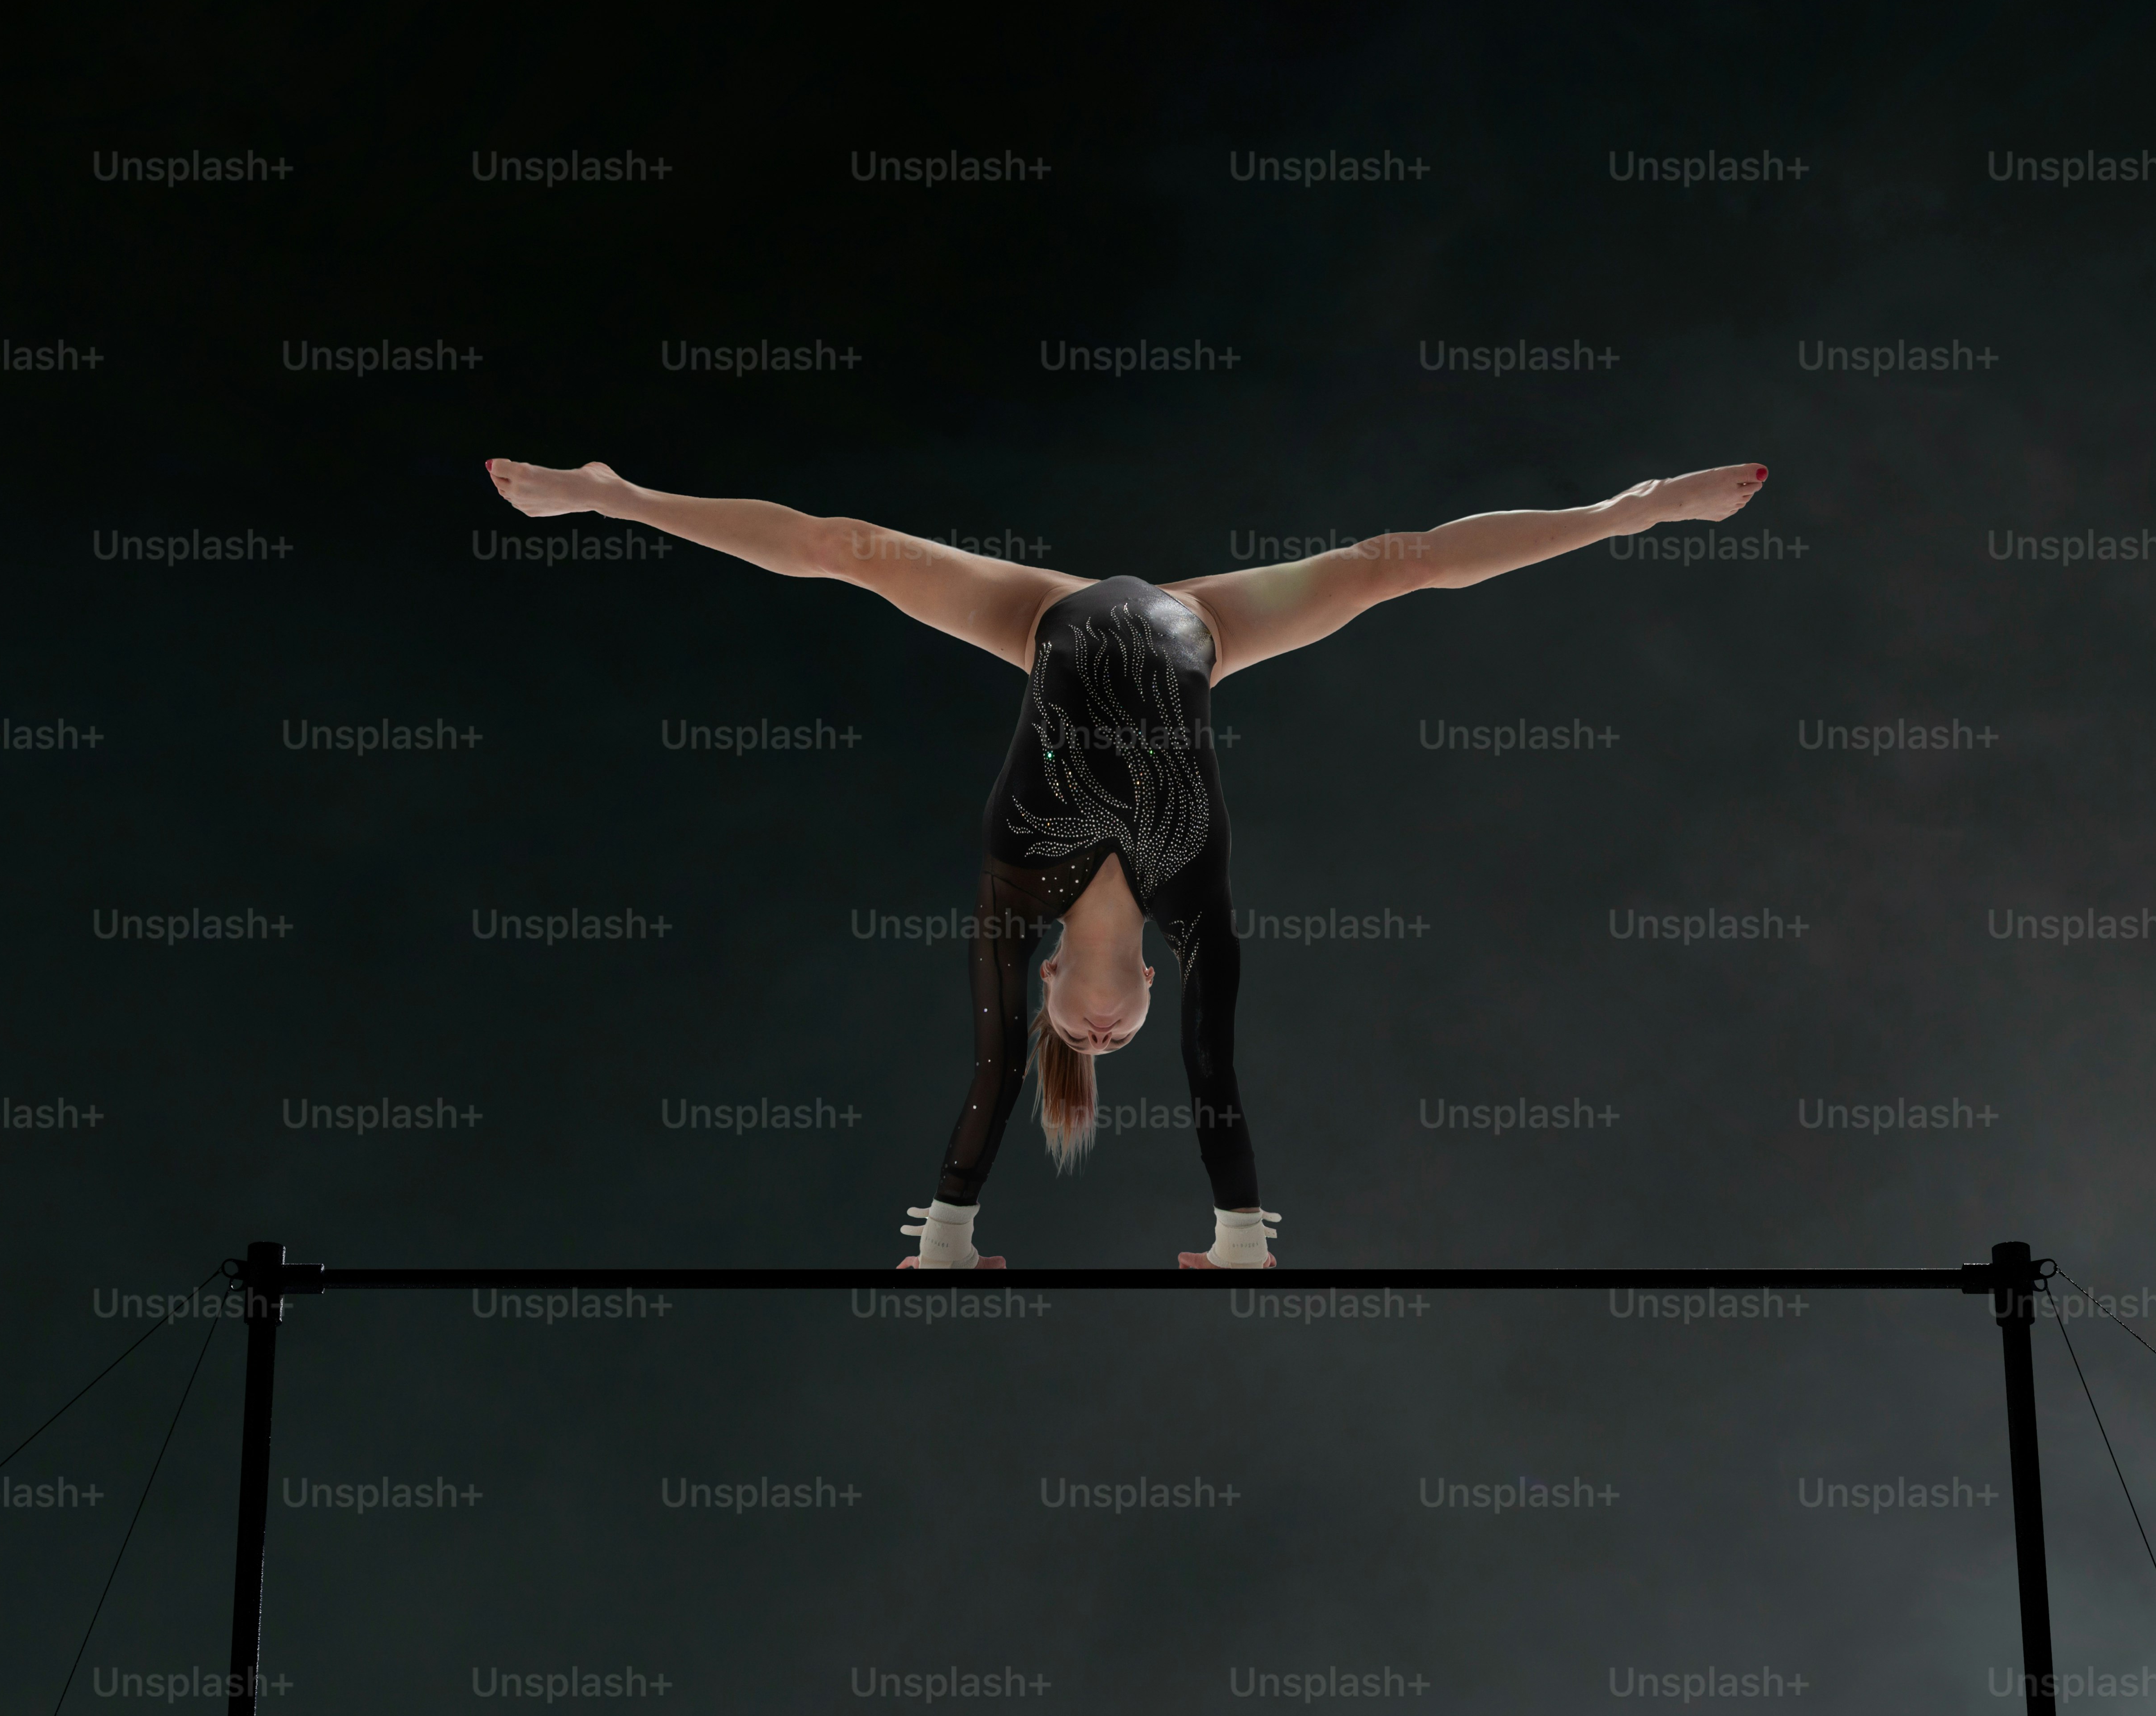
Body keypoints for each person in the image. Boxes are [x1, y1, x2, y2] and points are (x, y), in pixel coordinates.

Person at [480, 454, 1771, 1267]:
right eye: (1124, 1035)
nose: (1100, 1035)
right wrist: (1241, 1240)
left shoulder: (1013, 887)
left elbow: (991, 1072)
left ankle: (614, 495)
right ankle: (1630, 513)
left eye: (1077, 1035)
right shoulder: (1191, 897)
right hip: (1197, 629)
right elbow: (1217, 1072)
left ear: (1047, 981)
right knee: (1399, 566)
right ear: (1152, 984)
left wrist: (943, 1241)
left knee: (853, 552)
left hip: (1044, 621)